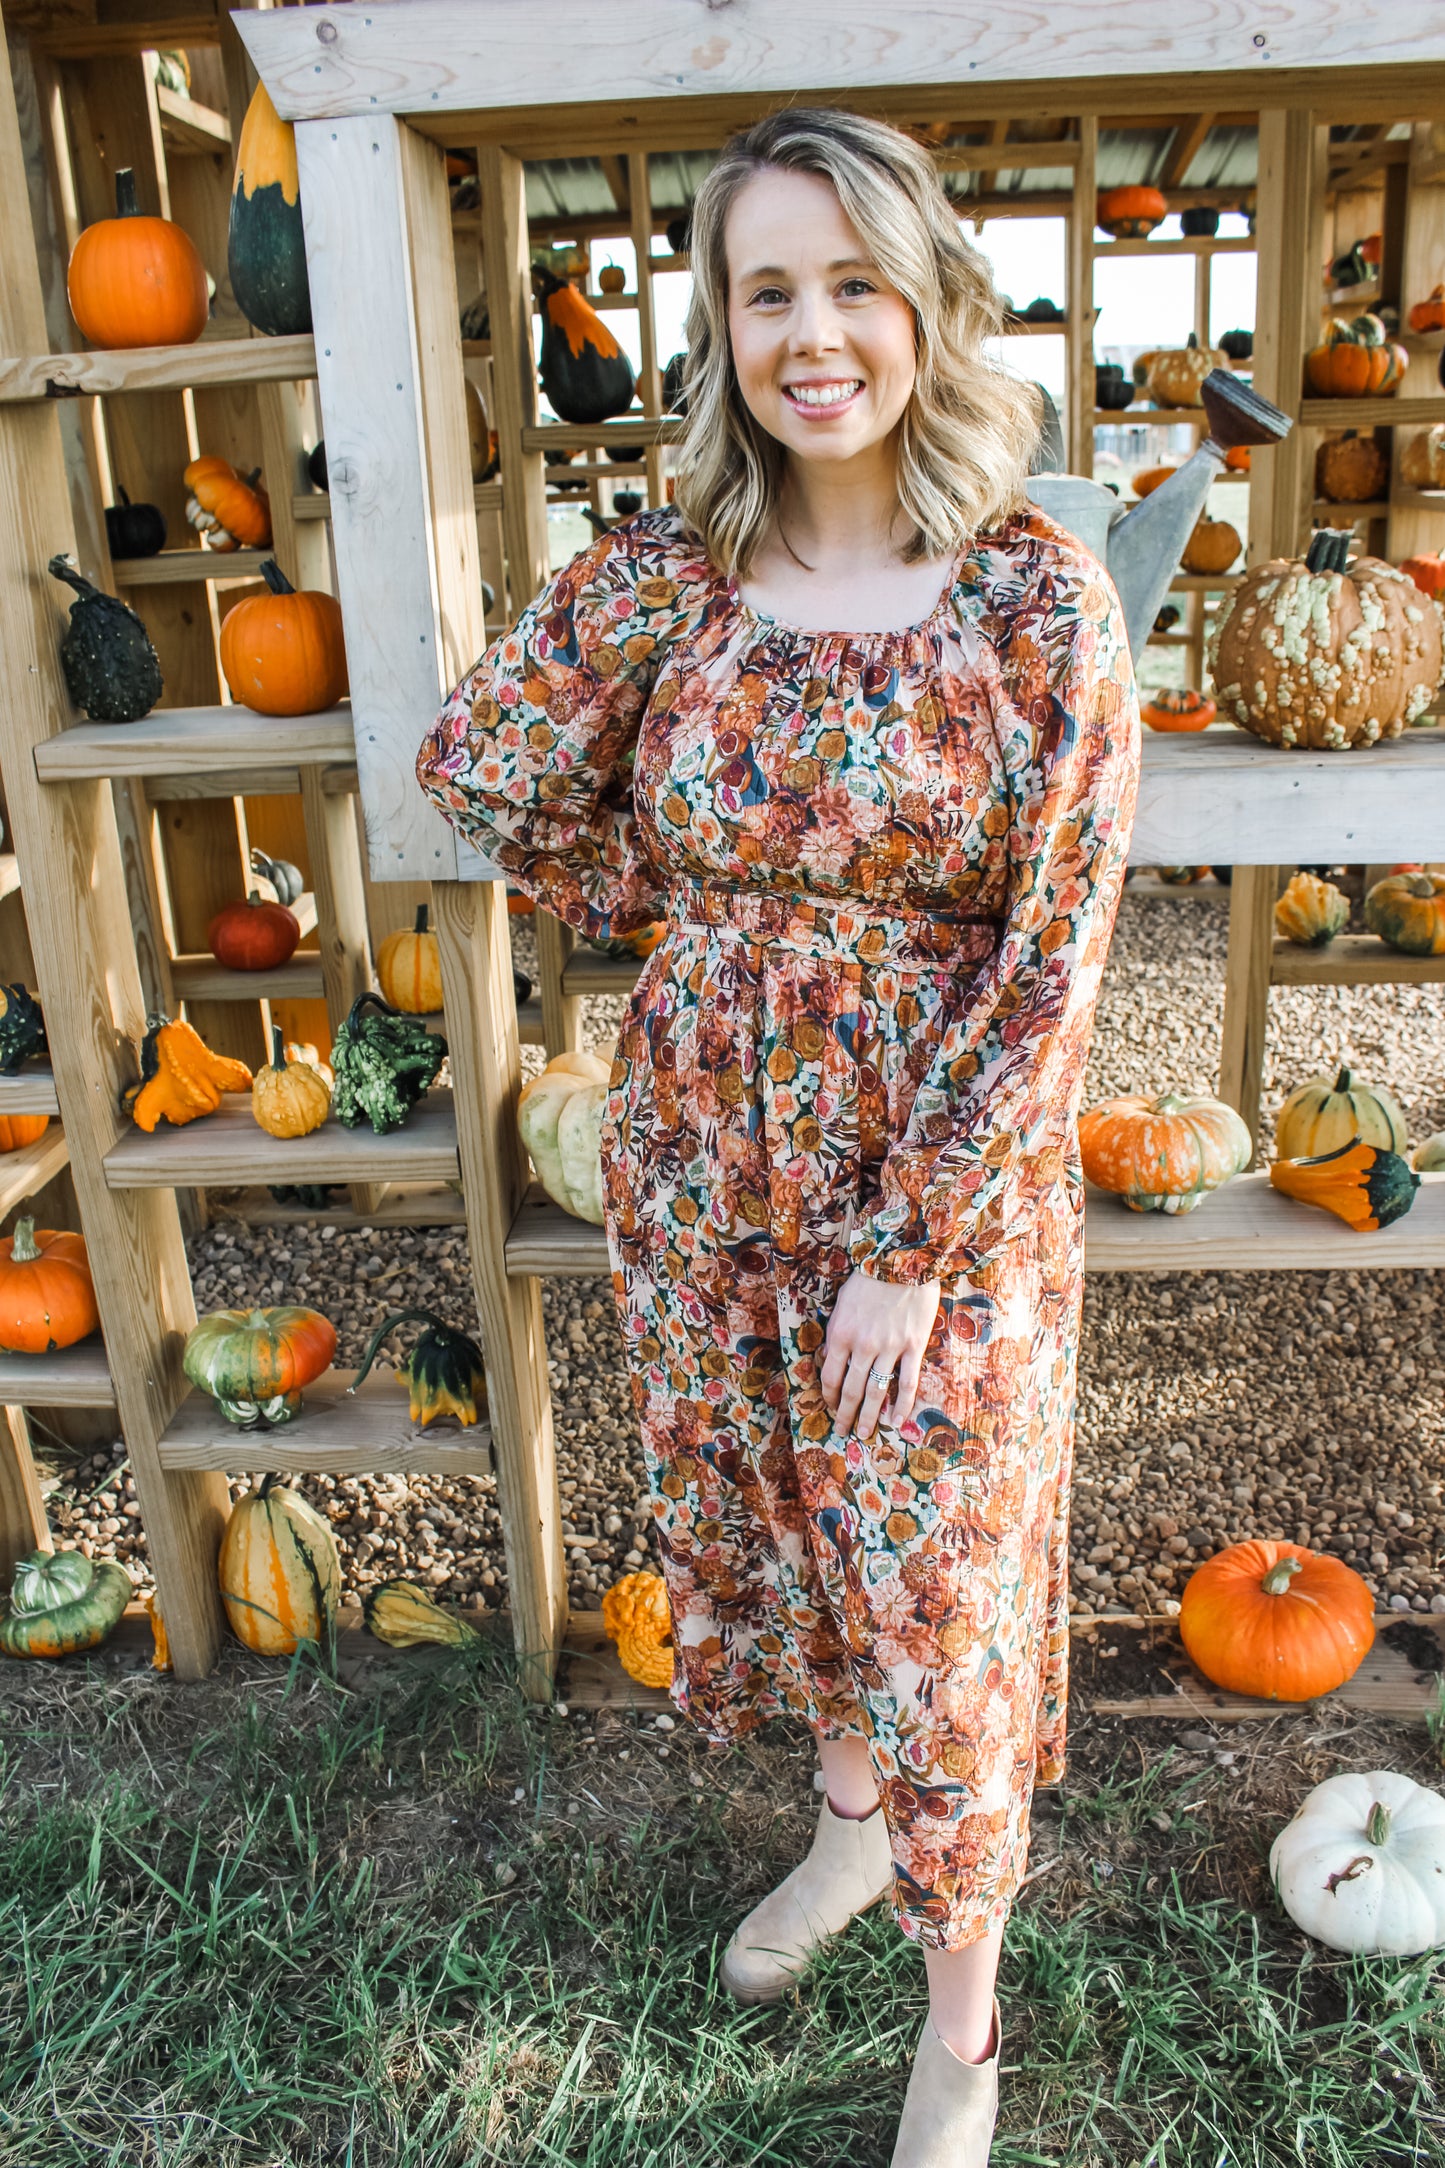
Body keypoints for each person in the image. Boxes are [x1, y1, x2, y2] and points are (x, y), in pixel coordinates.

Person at [418, 106, 1139, 2168]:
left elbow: (1054, 957)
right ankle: (839, 1839)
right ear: (719, 324)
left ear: (924, 301)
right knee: (789, 1545)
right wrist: (665, 900)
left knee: (937, 1589)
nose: (810, 333)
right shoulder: (676, 576)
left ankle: (963, 2021)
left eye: (850, 283)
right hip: (704, 1155)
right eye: (764, 292)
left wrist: (915, 1239)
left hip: (938, 1188)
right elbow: (484, 762)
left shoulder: (1034, 603)